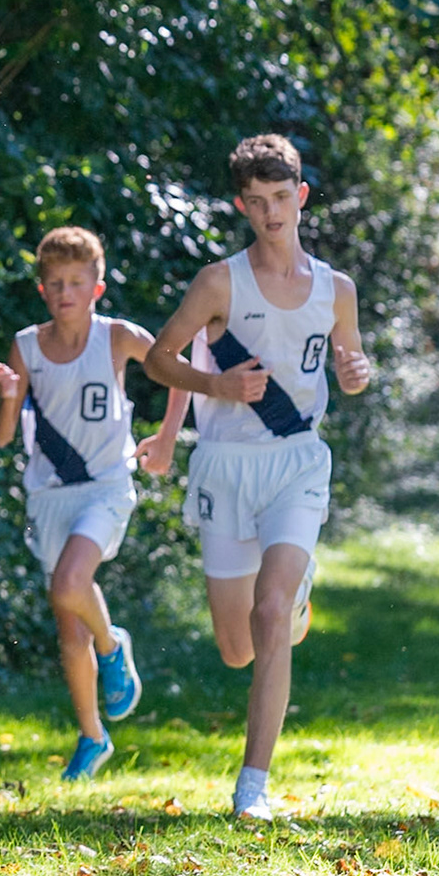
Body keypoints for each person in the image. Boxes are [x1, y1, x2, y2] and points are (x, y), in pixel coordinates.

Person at [142, 134, 371, 820]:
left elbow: (351, 369)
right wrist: (216, 385)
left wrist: (356, 374)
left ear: (301, 197)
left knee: (268, 613)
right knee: (237, 646)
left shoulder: (336, 290)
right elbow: (158, 358)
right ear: (242, 206)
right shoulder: (219, 283)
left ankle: (252, 789)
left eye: (281, 198)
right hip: (224, 466)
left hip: (297, 461)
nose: (272, 213)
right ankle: (291, 604)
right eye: (257, 201)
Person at [0, 227, 190, 780]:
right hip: (48, 497)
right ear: (42, 290)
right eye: (55, 283)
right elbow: (2, 436)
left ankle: (112, 646)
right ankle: (92, 736)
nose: (66, 293)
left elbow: (176, 370)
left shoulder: (117, 336)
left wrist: (167, 437)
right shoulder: (27, 346)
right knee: (69, 626)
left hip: (105, 486)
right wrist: (9, 397)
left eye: (77, 282)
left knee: (68, 584)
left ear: (97, 288)